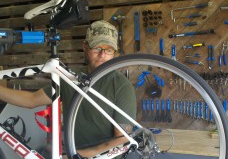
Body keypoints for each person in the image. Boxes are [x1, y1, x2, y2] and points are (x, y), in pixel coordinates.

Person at [0, 20, 137, 158]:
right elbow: (31, 100)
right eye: (97, 47)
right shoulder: (71, 78)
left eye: (108, 50)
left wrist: (74, 156)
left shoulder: (122, 87)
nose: (102, 55)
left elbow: (121, 142)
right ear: (85, 46)